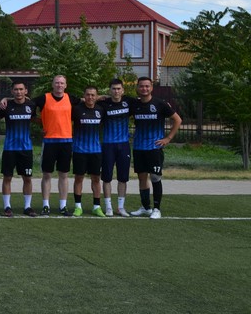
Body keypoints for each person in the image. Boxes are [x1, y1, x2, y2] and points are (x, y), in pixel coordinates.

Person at [3, 75, 82, 216]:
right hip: (49, 141)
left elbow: (89, 100)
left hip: (66, 141)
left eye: (62, 83)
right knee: (47, 174)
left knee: (63, 175)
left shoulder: (71, 98)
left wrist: (103, 97)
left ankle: (63, 206)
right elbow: (22, 100)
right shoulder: (44, 98)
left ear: (65, 85)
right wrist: (6, 99)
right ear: (53, 84)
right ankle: (46, 205)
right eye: (57, 83)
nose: (59, 85)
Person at [130, 77, 182, 219]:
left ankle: (157, 209)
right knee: (142, 177)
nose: (144, 89)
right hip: (139, 147)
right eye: (141, 86)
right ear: (137, 88)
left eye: (147, 86)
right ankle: (146, 207)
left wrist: (168, 138)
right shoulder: (134, 104)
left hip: (154, 147)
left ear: (152, 88)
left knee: (155, 177)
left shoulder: (160, 104)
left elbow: (178, 120)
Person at [0, 80, 37, 217]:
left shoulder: (31, 105)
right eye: (16, 89)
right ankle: (7, 207)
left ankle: (27, 207)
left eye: (21, 89)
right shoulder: (6, 106)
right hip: (10, 148)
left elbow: (37, 119)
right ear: (12, 91)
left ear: (26, 91)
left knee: (27, 178)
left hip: (26, 148)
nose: (19, 92)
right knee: (7, 177)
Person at [99, 78, 134, 216]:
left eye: (119, 88)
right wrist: (99, 97)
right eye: (113, 89)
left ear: (123, 90)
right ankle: (108, 207)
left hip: (124, 145)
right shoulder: (104, 104)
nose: (116, 91)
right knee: (106, 177)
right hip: (108, 145)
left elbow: (145, 101)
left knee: (123, 178)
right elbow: (88, 100)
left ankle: (120, 207)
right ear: (110, 90)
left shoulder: (129, 102)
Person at [71, 86, 105, 217]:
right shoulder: (76, 109)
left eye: (93, 95)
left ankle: (96, 207)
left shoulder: (101, 110)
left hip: (95, 150)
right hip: (79, 150)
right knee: (79, 178)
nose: (90, 97)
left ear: (97, 96)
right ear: (84, 96)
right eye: (88, 95)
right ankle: (78, 207)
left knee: (96, 178)